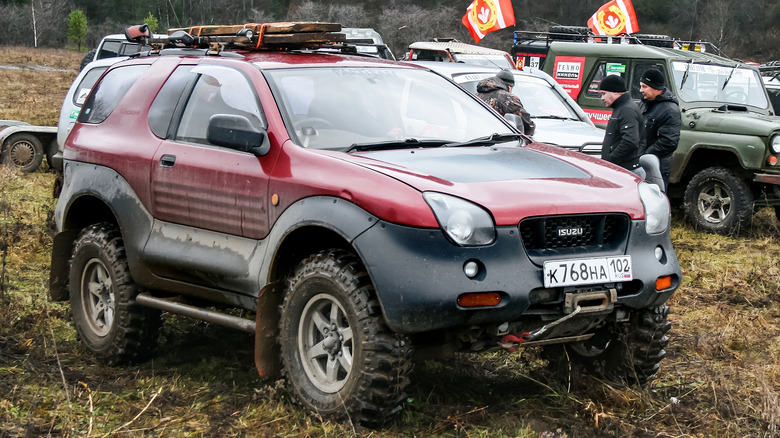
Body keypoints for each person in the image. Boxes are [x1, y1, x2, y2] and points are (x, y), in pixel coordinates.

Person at [639, 68, 681, 191]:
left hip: (657, 168)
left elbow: (669, 142)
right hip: (642, 163)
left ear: (656, 88)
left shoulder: (670, 110)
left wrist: (646, 155)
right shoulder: (645, 103)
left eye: (644, 86)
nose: (641, 90)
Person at [597, 74, 643, 171]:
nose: (602, 98)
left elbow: (630, 141)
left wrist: (611, 159)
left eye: (604, 93)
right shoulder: (621, 107)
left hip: (626, 169)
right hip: (623, 168)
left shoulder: (627, 110)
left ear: (615, 93)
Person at [476, 69, 535, 136]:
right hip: (498, 140)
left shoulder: (476, 95)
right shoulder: (507, 98)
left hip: (476, 137)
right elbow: (527, 124)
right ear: (509, 87)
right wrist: (532, 130)